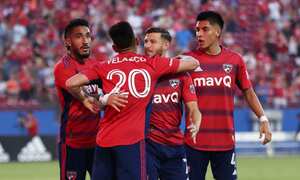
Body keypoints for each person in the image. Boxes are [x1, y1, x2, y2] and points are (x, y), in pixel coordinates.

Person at [65, 21, 199, 180]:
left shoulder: (103, 66)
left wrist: (94, 99)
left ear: (114, 48)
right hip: (132, 143)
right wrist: (179, 59)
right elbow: (194, 63)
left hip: (104, 141)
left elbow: (71, 83)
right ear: (136, 41)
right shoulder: (152, 64)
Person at [184, 11, 272, 180]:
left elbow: (248, 91)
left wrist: (263, 119)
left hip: (224, 143)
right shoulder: (187, 61)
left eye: (204, 29)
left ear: (217, 32)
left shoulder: (234, 60)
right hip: (193, 143)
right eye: (197, 30)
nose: (199, 34)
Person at [53, 18, 127, 180]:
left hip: (97, 142)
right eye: (79, 36)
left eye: (88, 36)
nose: (85, 40)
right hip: (72, 143)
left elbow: (112, 86)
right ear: (68, 41)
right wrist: (104, 99)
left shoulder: (95, 65)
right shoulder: (62, 67)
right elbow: (84, 97)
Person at [143, 27, 201, 180]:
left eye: (153, 42)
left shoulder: (181, 75)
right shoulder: (140, 73)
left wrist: (196, 122)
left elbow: (193, 107)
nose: (147, 45)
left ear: (166, 45)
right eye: (146, 41)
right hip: (148, 145)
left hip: (175, 146)